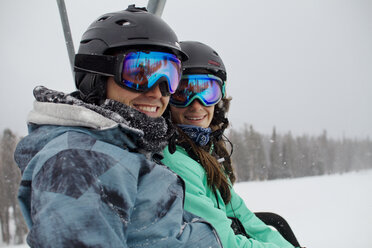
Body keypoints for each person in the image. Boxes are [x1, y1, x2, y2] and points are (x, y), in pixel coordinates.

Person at [14, 6, 222, 248]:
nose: (157, 91)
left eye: (170, 76)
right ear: (96, 77)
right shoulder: (79, 160)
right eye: (139, 73)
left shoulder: (126, 148)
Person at [162, 41, 300, 248]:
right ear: (168, 100)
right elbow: (223, 242)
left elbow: (242, 215)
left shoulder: (204, 153)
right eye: (183, 93)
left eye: (207, 92)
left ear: (219, 99)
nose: (197, 104)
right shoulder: (174, 161)